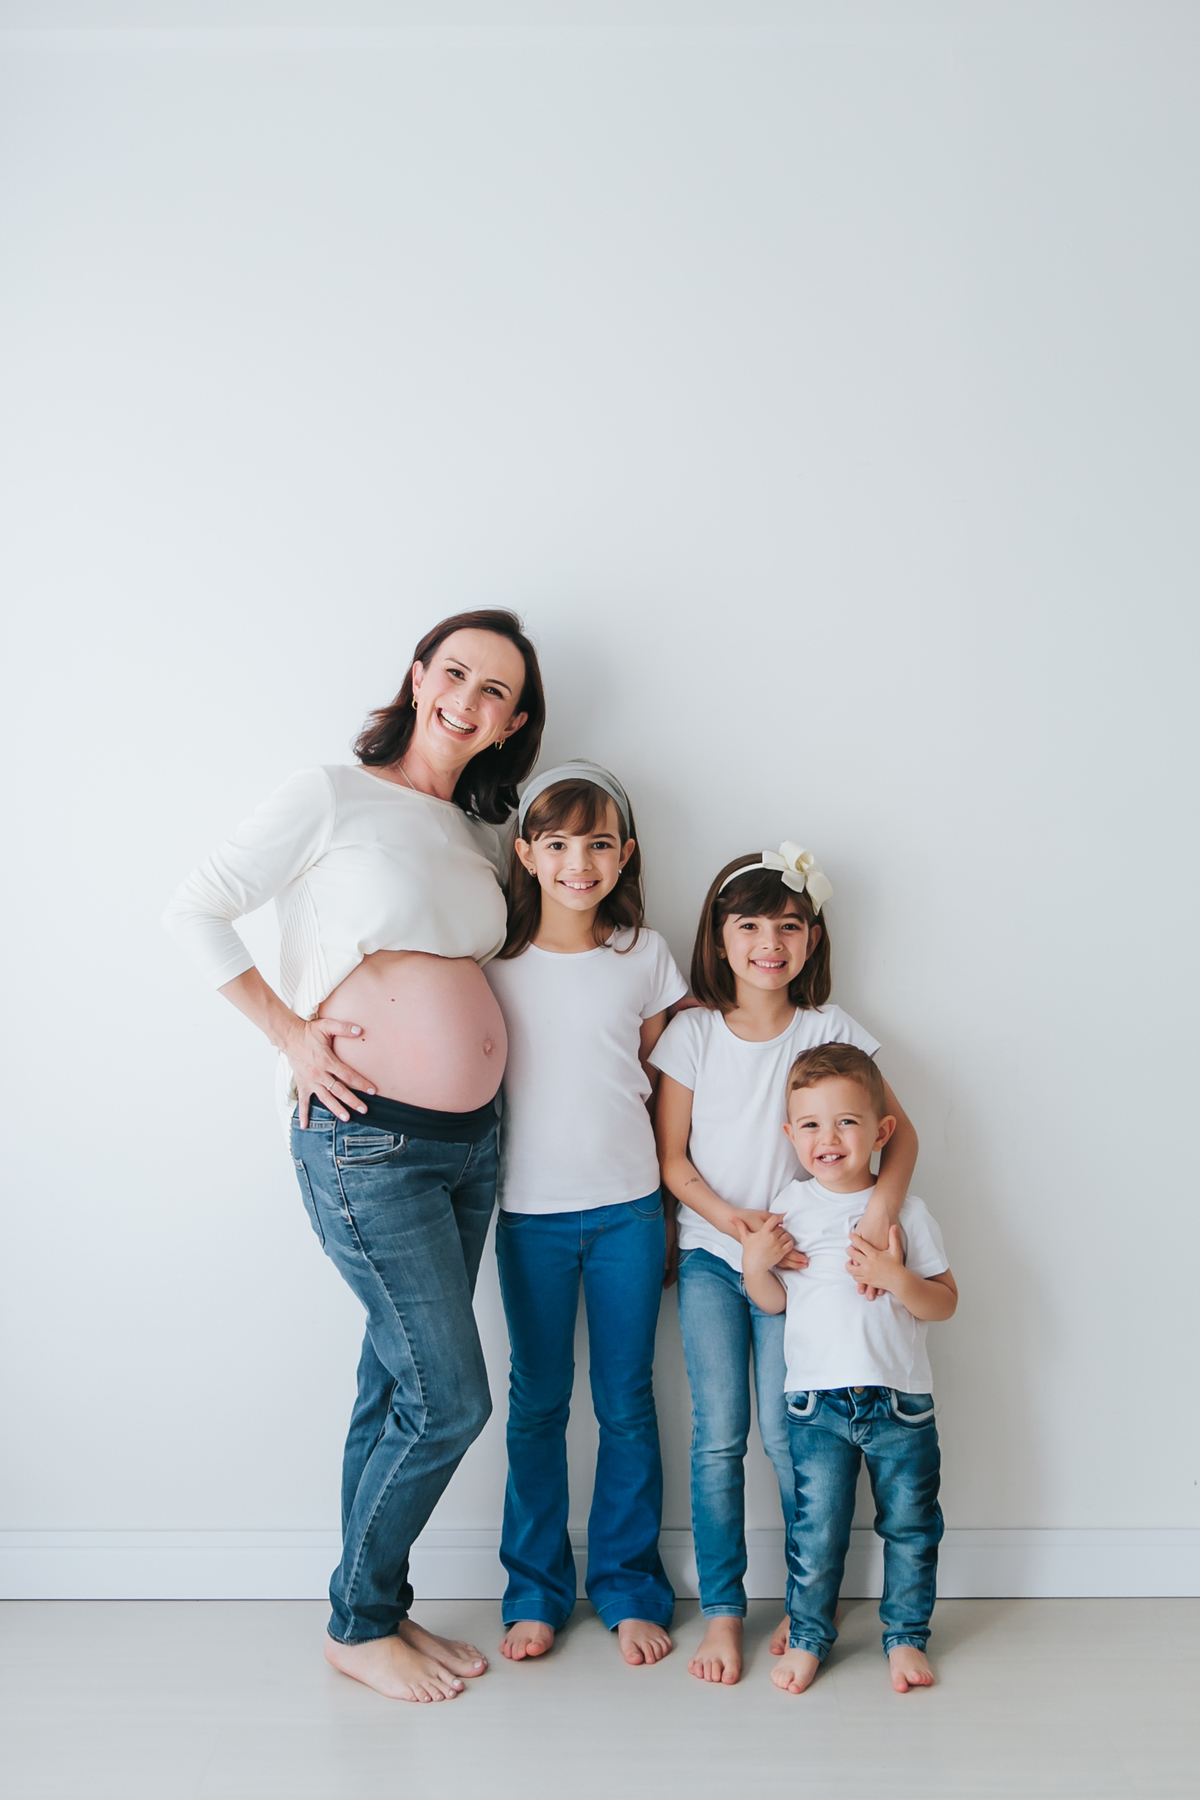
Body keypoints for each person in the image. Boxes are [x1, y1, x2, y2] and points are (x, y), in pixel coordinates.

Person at [162, 609, 546, 1703]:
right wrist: (288, 1034)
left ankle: (379, 1608)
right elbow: (195, 908)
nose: (467, 699)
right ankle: (356, 1622)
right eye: (455, 672)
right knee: (450, 1399)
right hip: (365, 1139)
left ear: (512, 723)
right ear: (419, 677)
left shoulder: (477, 836)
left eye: (496, 691)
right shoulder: (331, 794)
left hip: (470, 1146)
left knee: (394, 1385)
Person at [651, 843, 919, 1685]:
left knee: (786, 1434)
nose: (771, 943)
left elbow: (900, 1136)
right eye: (751, 927)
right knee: (717, 1439)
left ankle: (811, 1606)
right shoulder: (693, 1034)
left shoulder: (829, 1028)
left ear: (812, 938)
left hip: (802, 1269)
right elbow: (673, 1162)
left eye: (790, 927)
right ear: (719, 938)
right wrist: (737, 1228)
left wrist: (878, 1213)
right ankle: (723, 1613)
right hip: (713, 1260)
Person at [484, 763, 687, 1667]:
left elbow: (658, 1078)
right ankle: (534, 1589)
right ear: (527, 854)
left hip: (628, 1214)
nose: (579, 863)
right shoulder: (491, 958)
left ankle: (629, 1585)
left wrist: (673, 1210)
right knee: (537, 1405)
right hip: (527, 1215)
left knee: (626, 1402)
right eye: (559, 844)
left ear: (625, 854)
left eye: (599, 844)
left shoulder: (643, 954)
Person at [741, 1041, 957, 1694]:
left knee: (911, 1528)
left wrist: (895, 1277)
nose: (828, 1139)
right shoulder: (792, 1206)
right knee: (816, 1532)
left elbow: (944, 1302)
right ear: (790, 1135)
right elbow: (775, 1301)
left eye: (846, 1122)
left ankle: (906, 1637)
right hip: (816, 1406)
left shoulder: (906, 1214)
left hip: (900, 1404)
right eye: (810, 1125)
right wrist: (754, 1266)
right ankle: (808, 1637)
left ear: (881, 1131)